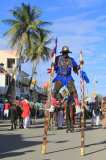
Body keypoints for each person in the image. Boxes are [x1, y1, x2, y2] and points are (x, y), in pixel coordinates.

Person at [53, 46, 80, 113]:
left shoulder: (71, 59)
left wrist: (79, 66)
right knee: (54, 91)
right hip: (59, 77)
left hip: (68, 77)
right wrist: (53, 63)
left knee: (74, 91)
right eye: (64, 52)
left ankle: (77, 106)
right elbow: (54, 64)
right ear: (62, 53)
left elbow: (75, 68)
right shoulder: (57, 58)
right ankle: (52, 105)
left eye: (66, 52)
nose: (65, 54)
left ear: (68, 53)